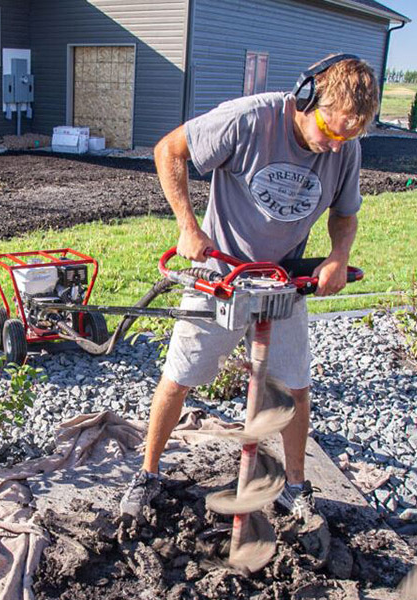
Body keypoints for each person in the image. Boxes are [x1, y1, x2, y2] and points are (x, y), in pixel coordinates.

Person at [119, 54, 380, 523]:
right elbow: (168, 151)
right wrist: (187, 226)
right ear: (307, 99)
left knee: (295, 389)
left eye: (350, 135)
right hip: (220, 276)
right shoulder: (249, 119)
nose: (338, 145)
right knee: (179, 378)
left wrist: (337, 257)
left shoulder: (344, 149)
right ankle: (148, 473)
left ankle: (295, 487)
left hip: (283, 283)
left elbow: (345, 212)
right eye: (332, 130)